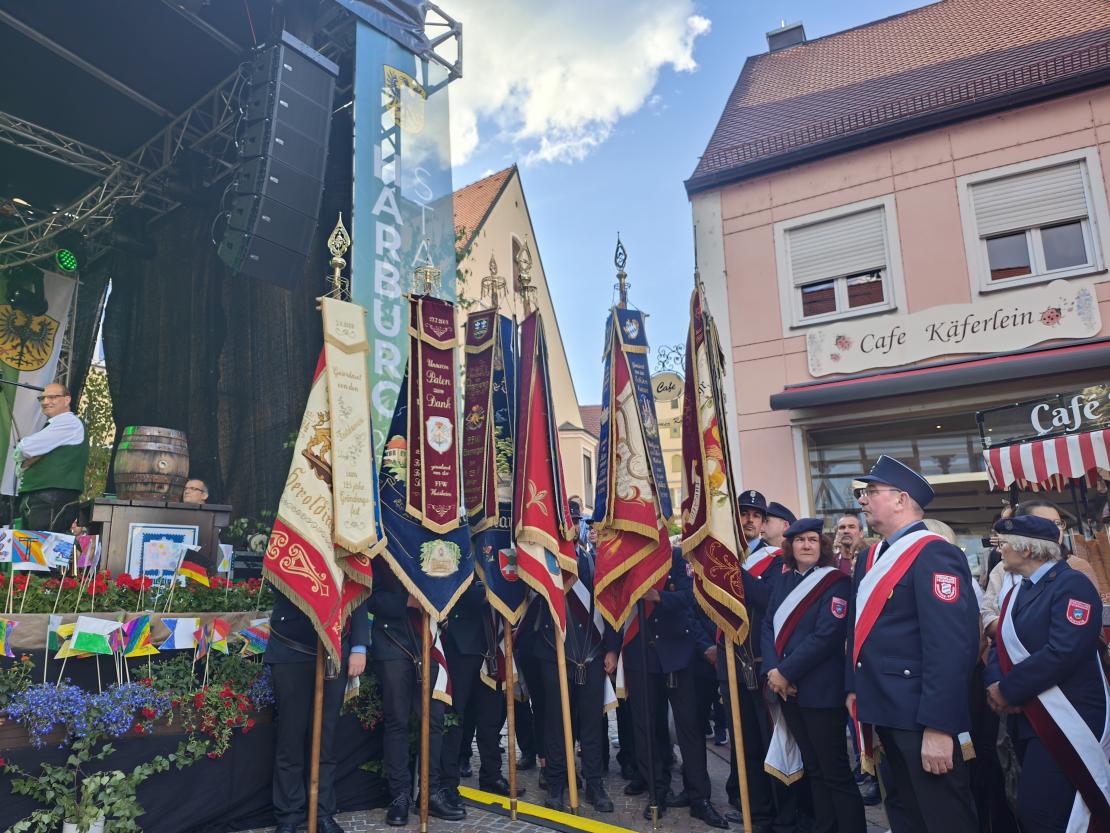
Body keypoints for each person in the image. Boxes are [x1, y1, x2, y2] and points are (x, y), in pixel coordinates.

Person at [847, 455, 980, 833]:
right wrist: (853, 688)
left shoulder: (934, 553)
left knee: (943, 818)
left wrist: (939, 727)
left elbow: (952, 647)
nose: (862, 500)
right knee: (908, 818)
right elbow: (856, 631)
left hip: (920, 717)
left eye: (871, 492)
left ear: (901, 499)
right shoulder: (876, 556)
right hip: (885, 710)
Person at [984, 514, 1110, 833]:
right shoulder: (1016, 592)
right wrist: (996, 685)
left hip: (1072, 715)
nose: (999, 551)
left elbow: (1063, 651)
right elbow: (1002, 645)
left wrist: (1008, 690)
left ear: (1027, 550)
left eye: (1005, 544)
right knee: (1045, 811)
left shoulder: (1073, 584)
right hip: (1030, 716)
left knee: (1044, 811)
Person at [762, 518, 866, 833]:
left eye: (813, 540)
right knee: (814, 769)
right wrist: (773, 671)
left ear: (821, 546)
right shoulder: (782, 580)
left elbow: (827, 636)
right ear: (790, 547)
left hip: (820, 690)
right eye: (800, 540)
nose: (807, 545)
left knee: (835, 772)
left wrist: (785, 671)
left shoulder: (836, 582)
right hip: (788, 689)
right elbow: (767, 626)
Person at [623, 546, 729, 827]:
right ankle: (657, 790)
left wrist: (657, 596)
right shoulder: (626, 555)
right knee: (646, 726)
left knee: (689, 728)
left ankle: (699, 797)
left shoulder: (676, 556)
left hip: (677, 653)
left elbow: (688, 597)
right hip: (640, 652)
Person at [367, 559, 464, 826]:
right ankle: (399, 796)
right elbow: (371, 597)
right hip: (392, 640)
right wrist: (408, 601)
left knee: (433, 721)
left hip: (428, 640)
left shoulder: (429, 537)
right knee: (397, 720)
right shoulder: (382, 544)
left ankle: (430, 792)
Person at [266, 587, 368, 833]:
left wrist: (359, 646)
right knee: (290, 735)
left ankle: (322, 812)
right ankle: (288, 815)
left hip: (335, 645)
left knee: (325, 737)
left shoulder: (347, 544)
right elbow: (276, 575)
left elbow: (359, 586)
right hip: (291, 645)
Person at [534, 539, 618, 813]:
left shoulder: (596, 561)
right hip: (554, 653)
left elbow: (611, 603)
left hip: (593, 654)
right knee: (556, 724)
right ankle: (557, 781)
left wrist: (613, 649)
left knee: (592, 725)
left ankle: (594, 783)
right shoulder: (545, 561)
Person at [439, 572, 516, 809]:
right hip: (461, 642)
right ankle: (447, 783)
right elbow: (453, 589)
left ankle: (491, 775)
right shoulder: (460, 545)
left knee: (490, 718)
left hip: (492, 643)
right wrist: (496, 589)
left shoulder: (495, 543)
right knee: (455, 718)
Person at [981, 499, 1100, 638]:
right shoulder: (1010, 575)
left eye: (1058, 523)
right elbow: (988, 617)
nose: (1055, 530)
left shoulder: (1075, 574)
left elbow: (1071, 642)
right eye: (1046, 523)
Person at [16, 382, 88, 532]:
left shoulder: (69, 422)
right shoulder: (54, 426)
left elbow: (26, 448)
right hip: (45, 498)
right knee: (37, 549)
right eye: (42, 398)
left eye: (52, 397)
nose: (45, 402)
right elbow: (21, 464)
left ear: (67, 399)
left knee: (45, 549)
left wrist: (24, 453)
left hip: (52, 499)